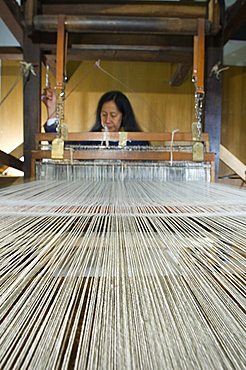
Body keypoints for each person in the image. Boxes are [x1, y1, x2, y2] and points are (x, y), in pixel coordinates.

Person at [42, 89, 148, 146]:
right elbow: (61, 147)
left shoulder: (137, 142)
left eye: (113, 115)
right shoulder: (92, 140)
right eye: (104, 115)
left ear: (124, 116)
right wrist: (52, 110)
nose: (107, 120)